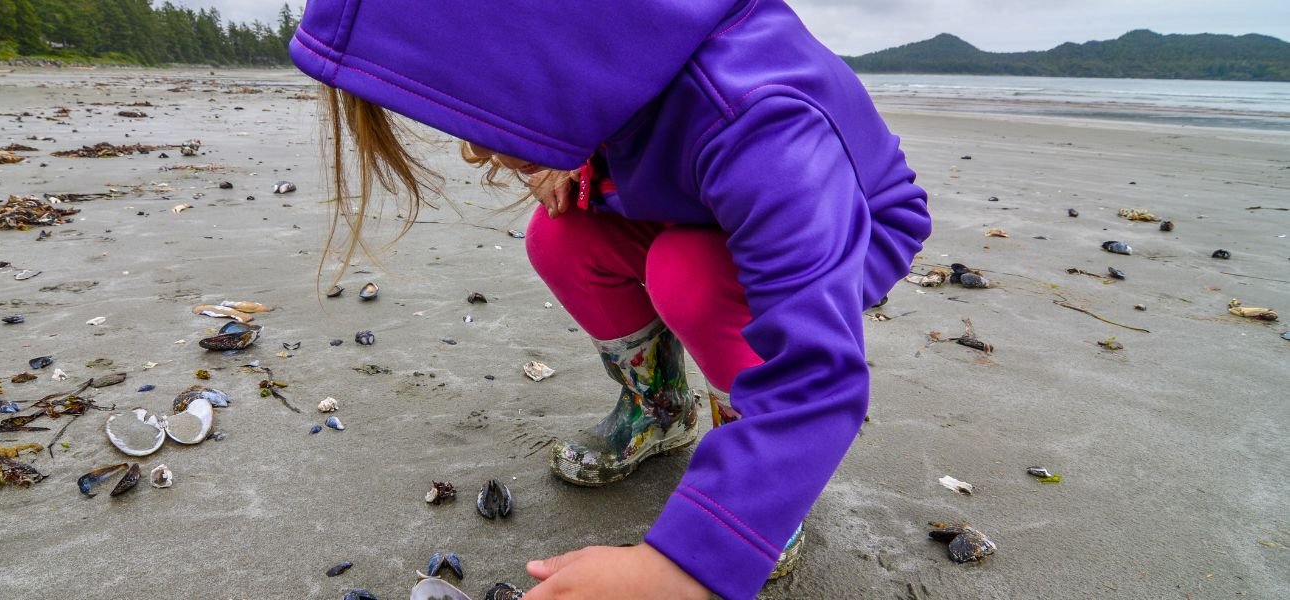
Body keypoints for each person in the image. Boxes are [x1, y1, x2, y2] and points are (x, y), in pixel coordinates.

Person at [290, 2, 932, 598]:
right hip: (691, 193)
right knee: (561, 236)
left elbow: (817, 374)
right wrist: (576, 154)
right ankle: (660, 408)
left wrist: (685, 568)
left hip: (850, 221)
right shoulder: (605, 45)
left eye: (483, 110)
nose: (475, 149)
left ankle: (760, 482)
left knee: (689, 275)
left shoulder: (760, 118)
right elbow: (646, 126)